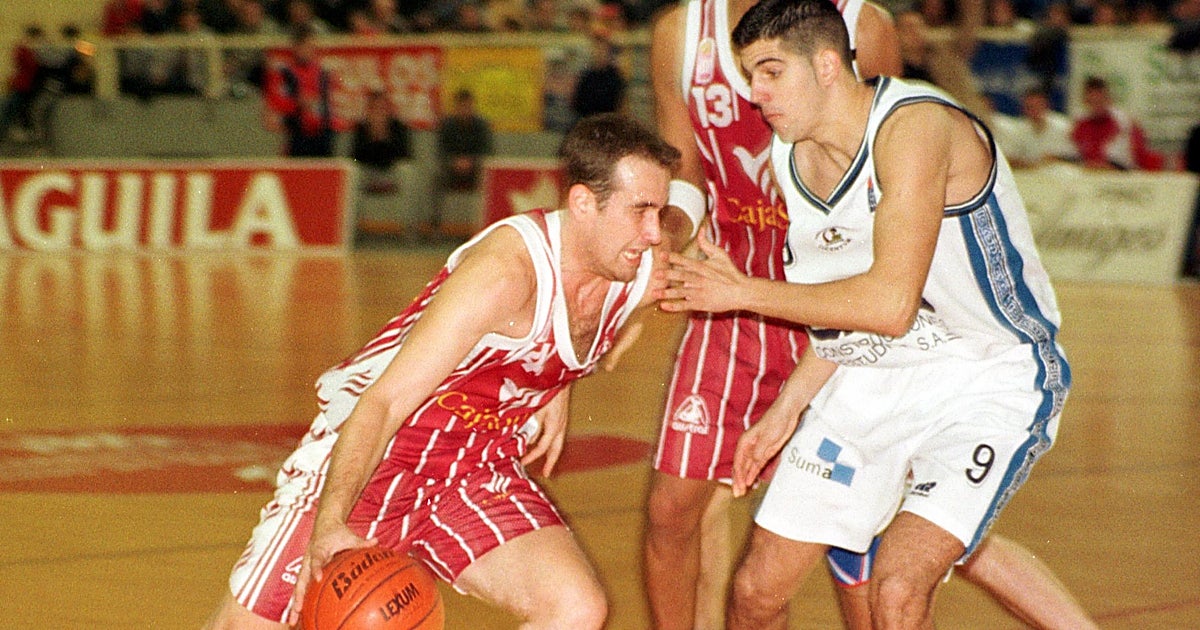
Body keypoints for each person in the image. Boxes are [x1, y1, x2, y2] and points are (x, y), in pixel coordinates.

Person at [656, 0, 1075, 627]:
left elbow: (887, 305)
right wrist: (786, 408)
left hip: (989, 373)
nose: (753, 93)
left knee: (897, 584)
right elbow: (844, 307)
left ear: (828, 65)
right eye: (749, 75)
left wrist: (741, 292)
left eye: (770, 72)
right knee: (755, 592)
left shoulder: (917, 126)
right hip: (874, 374)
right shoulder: (791, 157)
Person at [201, 113, 695, 630]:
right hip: (379, 458)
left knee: (574, 608)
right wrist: (330, 522)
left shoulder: (638, 261)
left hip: (474, 467)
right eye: (640, 211)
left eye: (658, 211)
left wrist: (559, 383)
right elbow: (384, 403)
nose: (652, 232)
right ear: (583, 204)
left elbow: (689, 210)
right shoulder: (505, 274)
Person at [642, 0, 904, 628]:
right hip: (733, 301)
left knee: (853, 541)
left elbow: (893, 177)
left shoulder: (863, 26)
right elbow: (685, 177)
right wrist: (663, 241)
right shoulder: (679, 32)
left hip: (840, 299)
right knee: (670, 511)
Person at [262, 24, 345, 157]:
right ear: (296, 47)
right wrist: (298, 103)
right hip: (297, 133)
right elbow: (275, 101)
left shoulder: (324, 72)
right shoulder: (285, 73)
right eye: (303, 46)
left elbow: (333, 101)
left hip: (323, 133)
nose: (307, 50)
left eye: (310, 46)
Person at [1070, 75, 1164, 171]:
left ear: (1108, 99)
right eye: (1092, 101)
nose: (1096, 105)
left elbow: (1127, 161)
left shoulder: (1123, 122)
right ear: (1085, 101)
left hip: (1124, 172)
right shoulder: (1079, 124)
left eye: (1100, 101)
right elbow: (1073, 156)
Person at [992, 87, 1078, 168]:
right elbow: (1008, 158)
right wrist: (1029, 164)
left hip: (1059, 171)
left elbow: (1075, 157)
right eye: (1030, 106)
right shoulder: (1015, 129)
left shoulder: (1064, 125)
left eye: (1038, 105)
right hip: (1028, 172)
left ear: (1047, 105)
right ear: (1023, 108)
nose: (1034, 110)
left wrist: (1056, 159)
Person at [350, 90, 412, 194]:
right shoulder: (361, 128)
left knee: (406, 169)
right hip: (368, 171)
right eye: (375, 108)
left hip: (392, 170)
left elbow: (405, 155)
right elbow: (355, 157)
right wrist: (373, 137)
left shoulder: (398, 127)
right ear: (368, 110)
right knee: (355, 170)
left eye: (382, 108)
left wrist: (384, 137)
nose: (379, 112)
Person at [570, 35, 627, 120]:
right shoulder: (587, 75)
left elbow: (617, 103)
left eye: (602, 50)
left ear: (608, 53)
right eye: (596, 50)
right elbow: (577, 102)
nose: (599, 53)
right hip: (587, 121)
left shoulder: (614, 77)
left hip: (607, 121)